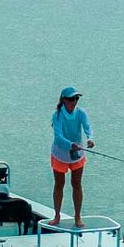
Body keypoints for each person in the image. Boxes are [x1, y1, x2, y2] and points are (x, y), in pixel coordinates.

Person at [49, 86, 94, 227]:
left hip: (77, 154)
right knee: (59, 184)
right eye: (71, 99)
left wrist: (90, 138)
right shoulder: (57, 115)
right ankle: (57, 216)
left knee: (77, 184)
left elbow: (87, 127)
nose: (74, 102)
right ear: (64, 100)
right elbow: (58, 136)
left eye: (76, 99)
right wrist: (70, 144)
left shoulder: (80, 112)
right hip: (60, 154)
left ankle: (77, 217)